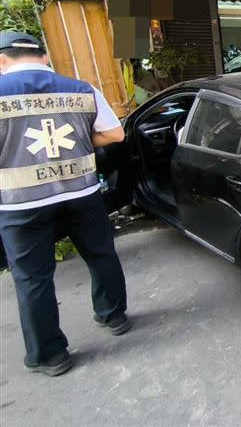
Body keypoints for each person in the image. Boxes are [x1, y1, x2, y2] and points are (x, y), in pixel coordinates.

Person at [0, 31, 130, 377]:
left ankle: (50, 355)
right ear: (44, 57)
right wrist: (78, 143)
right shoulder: (81, 89)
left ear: (2, 60)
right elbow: (115, 134)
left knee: (32, 278)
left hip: (21, 203)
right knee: (101, 254)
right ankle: (113, 315)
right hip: (81, 192)